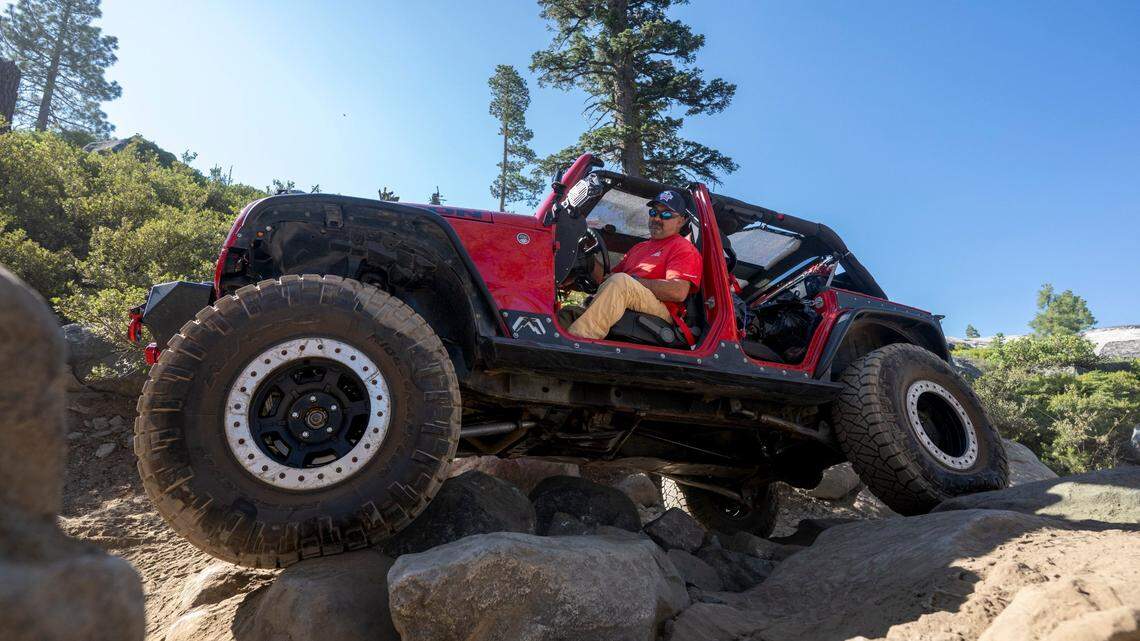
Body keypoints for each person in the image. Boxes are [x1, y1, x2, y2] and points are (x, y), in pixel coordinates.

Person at [566, 189, 702, 340]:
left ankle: (579, 342)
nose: (657, 218)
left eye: (666, 214)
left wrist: (635, 281)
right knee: (567, 316)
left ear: (681, 221)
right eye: (653, 213)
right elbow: (607, 279)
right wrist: (588, 260)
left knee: (622, 283)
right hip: (626, 296)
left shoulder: (682, 247)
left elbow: (678, 291)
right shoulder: (639, 248)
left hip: (662, 311)